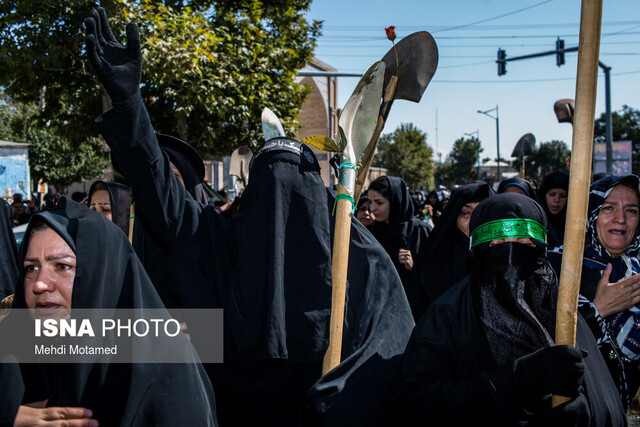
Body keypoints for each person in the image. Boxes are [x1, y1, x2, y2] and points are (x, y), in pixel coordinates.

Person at [84, 8, 414, 425]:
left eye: (295, 190)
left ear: (318, 195)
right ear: (250, 196)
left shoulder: (354, 252)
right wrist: (129, 105)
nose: (281, 205)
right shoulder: (216, 238)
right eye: (268, 188)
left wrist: (344, 396)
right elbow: (157, 186)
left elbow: (392, 343)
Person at [397, 193, 626, 426]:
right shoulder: (446, 316)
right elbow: (416, 405)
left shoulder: (563, 312)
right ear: (476, 249)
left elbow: (603, 400)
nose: (510, 259)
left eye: (523, 245)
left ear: (540, 249)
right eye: (496, 245)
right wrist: (513, 383)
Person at [6, 198, 217, 426]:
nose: (40, 284)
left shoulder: (165, 366)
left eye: (62, 266)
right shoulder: (14, 354)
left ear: (102, 274)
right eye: (31, 268)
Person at [548, 174, 640, 408]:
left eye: (631, 211)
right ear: (589, 214)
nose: (620, 220)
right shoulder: (555, 266)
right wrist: (598, 310)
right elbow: (543, 344)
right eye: (608, 208)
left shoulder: (636, 269)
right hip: (578, 409)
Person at [414, 181, 493, 315]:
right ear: (454, 217)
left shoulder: (504, 259)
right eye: (466, 213)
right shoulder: (434, 262)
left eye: (483, 212)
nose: (475, 220)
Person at [367, 175, 430, 319]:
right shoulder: (371, 232)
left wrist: (413, 267)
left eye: (379, 202)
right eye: (370, 202)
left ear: (396, 201)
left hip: (413, 312)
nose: (373, 208)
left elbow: (436, 277)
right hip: (379, 313)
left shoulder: (420, 231)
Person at [538, 171, 569, 248]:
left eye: (563, 196)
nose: (557, 200)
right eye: (552, 194)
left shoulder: (576, 224)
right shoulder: (535, 221)